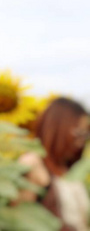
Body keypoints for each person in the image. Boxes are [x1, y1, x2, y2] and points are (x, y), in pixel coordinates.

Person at [18, 97, 89, 231]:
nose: (81, 142)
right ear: (58, 128)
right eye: (78, 132)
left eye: (85, 134)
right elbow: (18, 222)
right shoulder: (32, 163)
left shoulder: (67, 169)